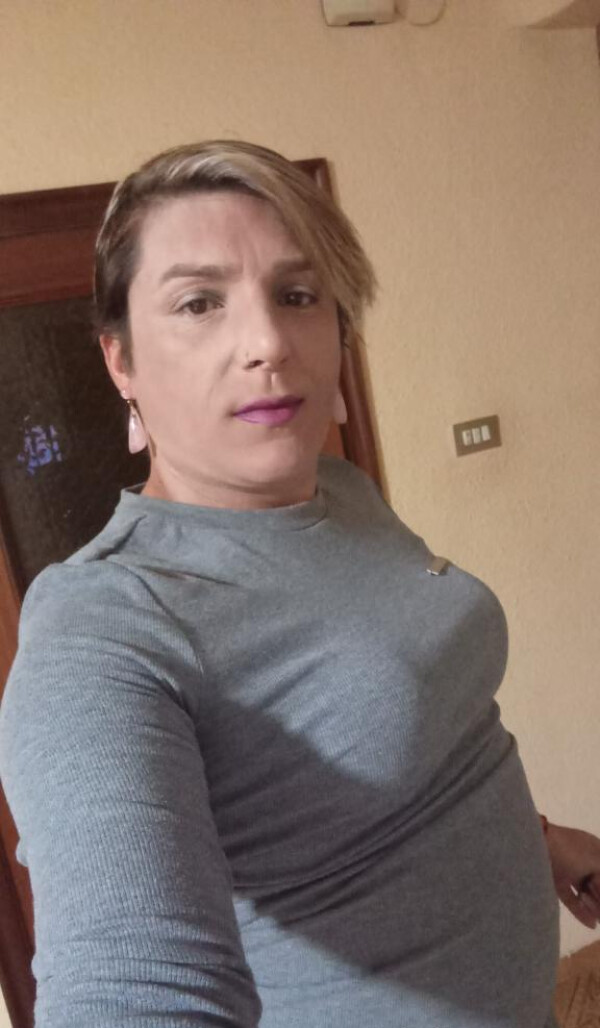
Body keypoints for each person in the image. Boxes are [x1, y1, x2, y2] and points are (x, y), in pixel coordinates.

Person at [0, 140, 598, 1028]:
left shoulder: (342, 493)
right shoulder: (102, 627)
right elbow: (133, 988)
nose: (270, 343)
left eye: (297, 295)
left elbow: (416, 730)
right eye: (199, 303)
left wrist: (539, 839)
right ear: (121, 361)